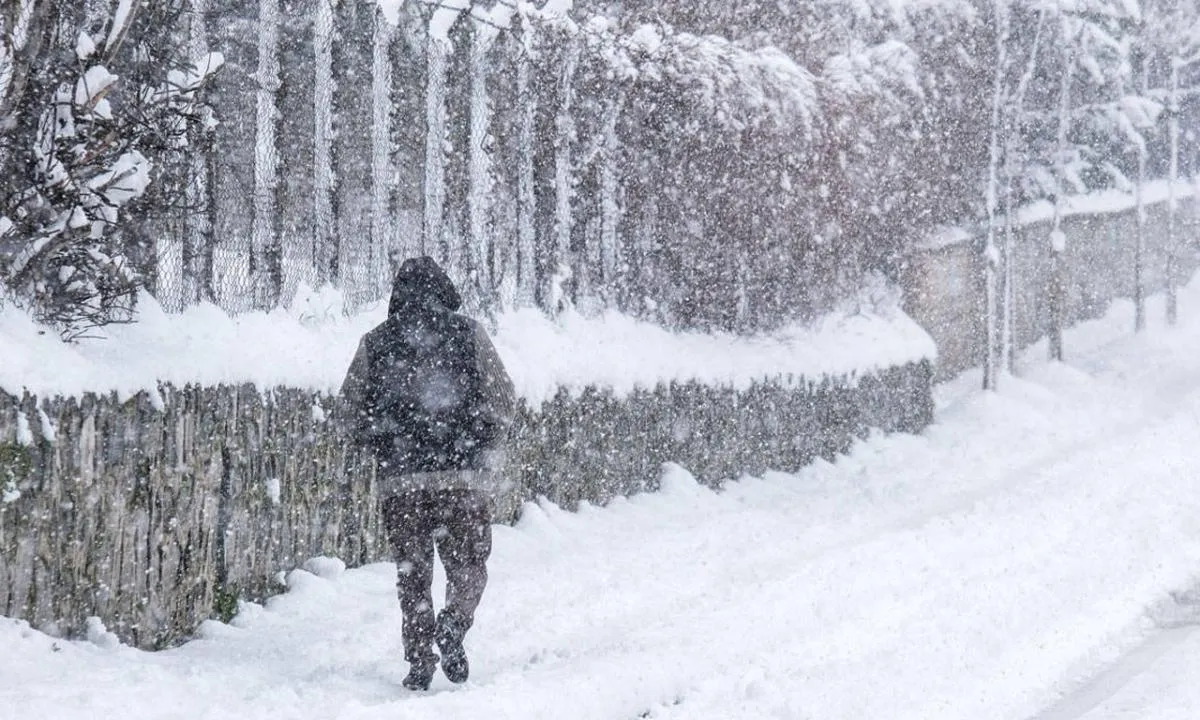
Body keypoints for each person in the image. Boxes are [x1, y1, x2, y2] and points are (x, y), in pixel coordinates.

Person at [340, 256, 515, 691]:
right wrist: (484, 438)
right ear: (445, 289)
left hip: (402, 481)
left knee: (412, 573)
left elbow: (347, 412)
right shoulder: (469, 333)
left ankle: (420, 659)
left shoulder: (375, 343)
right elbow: (503, 397)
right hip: (464, 477)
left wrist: (380, 437)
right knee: (470, 563)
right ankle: (454, 623)